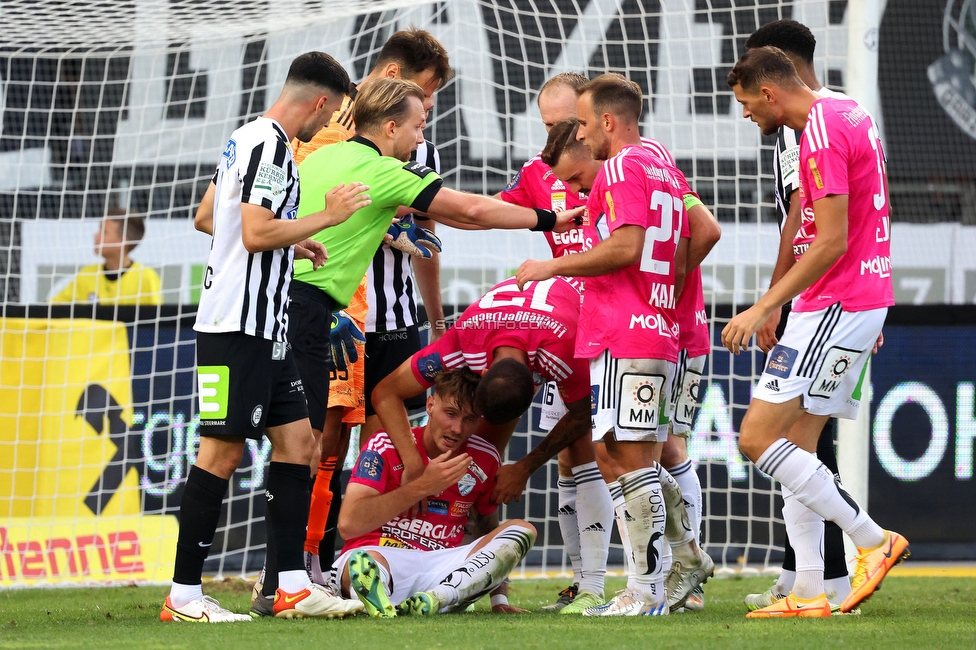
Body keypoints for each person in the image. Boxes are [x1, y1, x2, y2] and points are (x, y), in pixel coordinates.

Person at [161, 51, 370, 623]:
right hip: (238, 327)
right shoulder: (276, 146)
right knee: (221, 453)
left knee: (299, 445)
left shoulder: (243, 137)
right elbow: (252, 234)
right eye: (331, 117)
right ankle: (183, 596)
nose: (327, 128)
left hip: (265, 326)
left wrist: (291, 241)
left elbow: (209, 216)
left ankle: (292, 586)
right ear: (321, 103)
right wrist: (323, 218)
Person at [516, 73, 714, 616]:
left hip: (632, 328)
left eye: (580, 123)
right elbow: (700, 231)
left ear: (604, 123)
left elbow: (627, 247)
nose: (578, 132)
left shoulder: (626, 165)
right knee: (616, 453)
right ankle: (685, 557)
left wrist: (550, 265)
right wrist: (664, 288)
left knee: (632, 458)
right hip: (640, 326)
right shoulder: (658, 159)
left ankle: (647, 589)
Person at [724, 46, 908, 618]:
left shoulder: (820, 131)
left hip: (834, 301)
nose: (748, 115)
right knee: (794, 445)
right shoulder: (849, 109)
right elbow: (873, 212)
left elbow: (828, 239)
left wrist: (764, 306)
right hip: (859, 298)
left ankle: (873, 540)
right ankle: (810, 591)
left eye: (748, 103)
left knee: (757, 438)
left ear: (770, 92)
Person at [289, 30, 453, 596]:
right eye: (424, 94)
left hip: (398, 318)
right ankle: (307, 560)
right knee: (321, 440)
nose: (427, 111)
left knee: (385, 446)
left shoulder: (418, 147)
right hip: (339, 315)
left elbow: (428, 236)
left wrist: (435, 319)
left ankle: (372, 562)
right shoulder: (320, 132)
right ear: (390, 77)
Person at [742, 19, 854, 614]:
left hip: (832, 297)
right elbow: (804, 216)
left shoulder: (822, 121)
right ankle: (806, 575)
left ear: (777, 67)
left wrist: (775, 298)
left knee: (796, 435)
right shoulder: (822, 117)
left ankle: (844, 562)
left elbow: (821, 219)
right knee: (802, 434)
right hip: (824, 294)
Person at [497, 72, 613, 615]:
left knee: (645, 452)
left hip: (621, 321)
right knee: (573, 455)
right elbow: (489, 209)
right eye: (546, 126)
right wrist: (417, 203)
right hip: (568, 326)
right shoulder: (541, 173)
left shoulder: (622, 167)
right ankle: (584, 582)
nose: (555, 136)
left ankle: (659, 579)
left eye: (565, 124)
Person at [330, 368, 537, 616]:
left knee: (522, 530)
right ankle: (377, 593)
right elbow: (349, 524)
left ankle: (439, 597)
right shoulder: (384, 445)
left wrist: (498, 599)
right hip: (383, 554)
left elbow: (487, 531)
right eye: (450, 414)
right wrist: (422, 486)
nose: (457, 429)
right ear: (430, 405)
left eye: (470, 419)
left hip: (443, 565)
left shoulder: (483, 457)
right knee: (364, 563)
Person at [50, 207, 161, 305]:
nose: (96, 235)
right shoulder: (87, 274)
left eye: (104, 232)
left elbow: (156, 323)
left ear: (122, 242)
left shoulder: (146, 278)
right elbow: (52, 307)